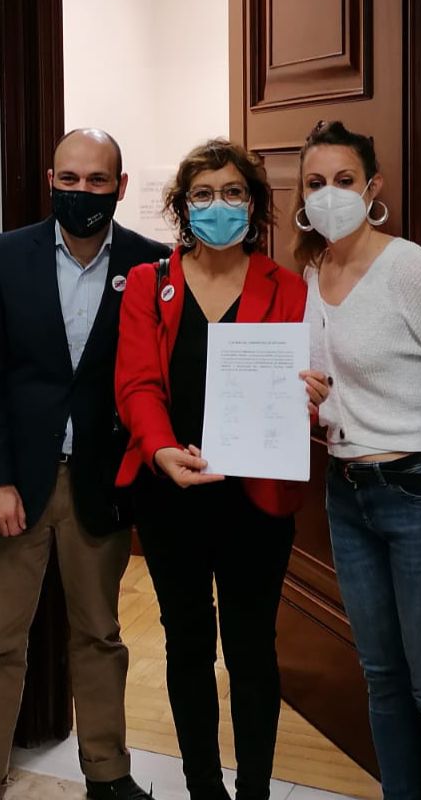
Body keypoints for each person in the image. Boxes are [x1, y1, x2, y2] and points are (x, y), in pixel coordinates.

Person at [0, 128, 167, 800]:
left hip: (99, 486)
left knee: (100, 636)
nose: (82, 191)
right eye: (70, 179)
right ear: (51, 181)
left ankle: (107, 773)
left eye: (97, 180)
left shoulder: (151, 264)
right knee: (0, 641)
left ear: (120, 186)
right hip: (17, 484)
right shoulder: (6, 255)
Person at [114, 138, 313, 800]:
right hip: (170, 496)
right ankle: (203, 787)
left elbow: (299, 391)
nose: (218, 206)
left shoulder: (287, 287)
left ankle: (254, 789)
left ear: (253, 205)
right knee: (188, 645)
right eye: (203, 194)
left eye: (232, 192)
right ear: (182, 206)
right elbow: (137, 383)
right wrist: (160, 449)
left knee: (252, 650)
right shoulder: (149, 283)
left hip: (256, 500)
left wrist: (311, 397)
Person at [294, 120, 421, 799]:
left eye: (344, 180)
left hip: (416, 490)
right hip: (345, 491)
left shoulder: (408, 267)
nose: (329, 194)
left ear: (373, 187)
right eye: (315, 183)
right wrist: (305, 395)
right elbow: (319, 382)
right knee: (383, 678)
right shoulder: (311, 274)